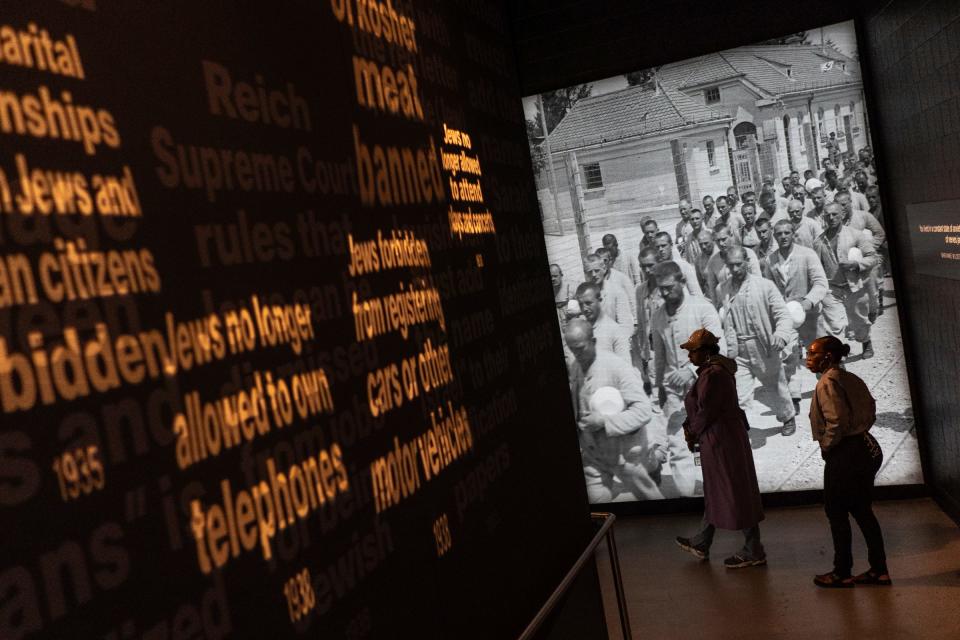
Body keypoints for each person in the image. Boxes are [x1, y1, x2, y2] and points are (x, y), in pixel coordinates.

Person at [674, 328, 766, 568]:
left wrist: (692, 431)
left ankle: (753, 549)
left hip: (721, 440)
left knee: (734, 490)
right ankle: (703, 541)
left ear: (705, 352)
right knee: (721, 489)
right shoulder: (714, 371)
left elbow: (707, 411)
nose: (689, 356)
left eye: (692, 351)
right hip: (720, 437)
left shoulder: (713, 374)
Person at [806, 336, 889, 588]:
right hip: (866, 447)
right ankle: (879, 570)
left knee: (837, 512)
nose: (808, 359)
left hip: (846, 454)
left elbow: (836, 421)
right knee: (863, 511)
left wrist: (828, 446)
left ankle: (842, 572)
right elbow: (871, 408)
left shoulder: (827, 382)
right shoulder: (850, 378)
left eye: (812, 354)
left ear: (828, 357)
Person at [565, 319, 665, 502]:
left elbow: (643, 410)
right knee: (596, 505)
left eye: (580, 348)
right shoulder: (575, 367)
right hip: (594, 456)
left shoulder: (616, 367)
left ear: (593, 342)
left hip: (625, 454)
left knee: (653, 502)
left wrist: (604, 421)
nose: (576, 354)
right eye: (572, 349)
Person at [649, 262, 723, 495]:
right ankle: (687, 496)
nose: (664, 293)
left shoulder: (701, 308)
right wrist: (659, 385)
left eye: (669, 287)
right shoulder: (658, 317)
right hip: (675, 391)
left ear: (681, 282)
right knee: (678, 442)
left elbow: (720, 347)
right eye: (660, 288)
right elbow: (659, 356)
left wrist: (691, 371)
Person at [716, 247, 797, 435]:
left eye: (738, 264)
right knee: (737, 393)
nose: (735, 269)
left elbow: (783, 315)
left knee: (776, 386)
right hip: (738, 350)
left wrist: (781, 335)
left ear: (746, 262)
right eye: (731, 266)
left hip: (764, 347)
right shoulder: (723, 289)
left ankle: (787, 417)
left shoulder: (765, 286)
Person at [763, 220, 828, 413]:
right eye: (779, 234)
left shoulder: (807, 255)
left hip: (809, 315)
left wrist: (807, 303)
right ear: (774, 236)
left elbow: (820, 283)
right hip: (785, 317)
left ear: (793, 234)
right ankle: (794, 398)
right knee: (788, 357)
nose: (783, 237)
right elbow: (769, 289)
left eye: (786, 233)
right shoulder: (770, 260)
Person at [812, 203, 877, 358]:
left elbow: (872, 257)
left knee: (859, 320)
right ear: (823, 217)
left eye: (835, 214)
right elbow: (816, 267)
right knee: (834, 325)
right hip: (832, 289)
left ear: (842, 215)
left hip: (855, 286)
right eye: (828, 215)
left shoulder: (856, 234)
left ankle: (866, 341)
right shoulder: (819, 242)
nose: (831, 218)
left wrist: (856, 264)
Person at [704, 225, 761, 305]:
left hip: (750, 299)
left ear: (731, 235)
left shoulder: (748, 253)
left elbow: (758, 279)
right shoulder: (713, 261)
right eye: (718, 241)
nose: (721, 243)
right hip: (728, 303)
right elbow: (713, 290)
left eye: (724, 239)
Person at [575, 282, 632, 363]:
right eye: (581, 304)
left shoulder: (615, 331)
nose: (584, 309)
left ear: (600, 300)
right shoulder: (581, 330)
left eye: (588, 303)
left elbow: (625, 369)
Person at [584, 253, 634, 327]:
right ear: (585, 273)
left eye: (597, 270)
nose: (593, 275)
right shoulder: (583, 295)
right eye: (590, 272)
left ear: (604, 269)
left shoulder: (616, 291)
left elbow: (625, 324)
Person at [654, 231, 703, 296]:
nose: (660, 249)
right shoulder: (657, 269)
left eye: (663, 246)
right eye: (657, 247)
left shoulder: (684, 266)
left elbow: (696, 293)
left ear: (671, 245)